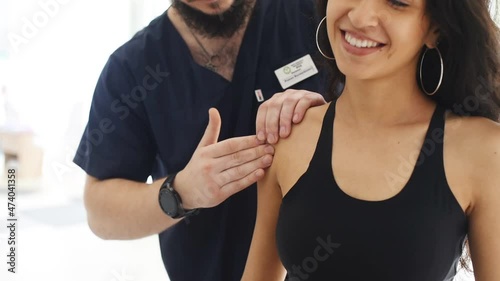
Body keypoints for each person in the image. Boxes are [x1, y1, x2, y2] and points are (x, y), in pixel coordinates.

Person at [242, 0, 500, 280]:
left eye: (397, 3)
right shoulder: (288, 134)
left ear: (435, 29)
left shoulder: (483, 150)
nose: (361, 16)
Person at [73, 0, 327, 280]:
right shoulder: (134, 67)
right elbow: (100, 213)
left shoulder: (311, 16)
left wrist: (328, 114)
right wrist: (180, 192)